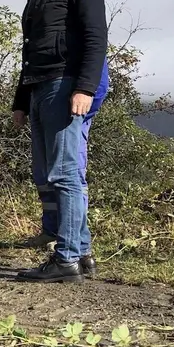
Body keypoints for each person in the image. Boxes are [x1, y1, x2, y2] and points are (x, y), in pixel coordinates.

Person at [12, 0, 108, 282]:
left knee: (65, 172)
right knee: (50, 173)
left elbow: (96, 35)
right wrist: (21, 100)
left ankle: (65, 259)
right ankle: (81, 252)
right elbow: (30, 49)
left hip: (65, 83)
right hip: (40, 86)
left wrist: (85, 87)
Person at [28, 57, 109, 279]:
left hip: (71, 107)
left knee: (68, 177)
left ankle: (70, 255)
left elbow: (98, 80)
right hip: (52, 98)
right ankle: (77, 249)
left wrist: (82, 103)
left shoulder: (83, 48)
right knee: (51, 176)